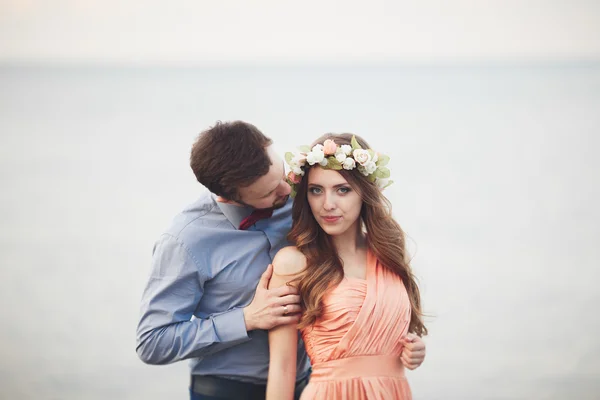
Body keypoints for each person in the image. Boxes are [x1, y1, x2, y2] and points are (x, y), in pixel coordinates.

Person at [136, 121, 426, 400]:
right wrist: (246, 319)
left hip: (315, 383)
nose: (287, 192)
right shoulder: (186, 241)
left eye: (283, 175)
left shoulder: (306, 204)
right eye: (270, 192)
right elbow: (152, 343)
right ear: (230, 196)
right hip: (227, 389)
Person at [266, 133, 427, 400]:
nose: (328, 204)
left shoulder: (388, 253)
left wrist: (413, 349)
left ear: (365, 193)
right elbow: (283, 368)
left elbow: (388, 330)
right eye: (316, 190)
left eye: (342, 189)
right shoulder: (293, 262)